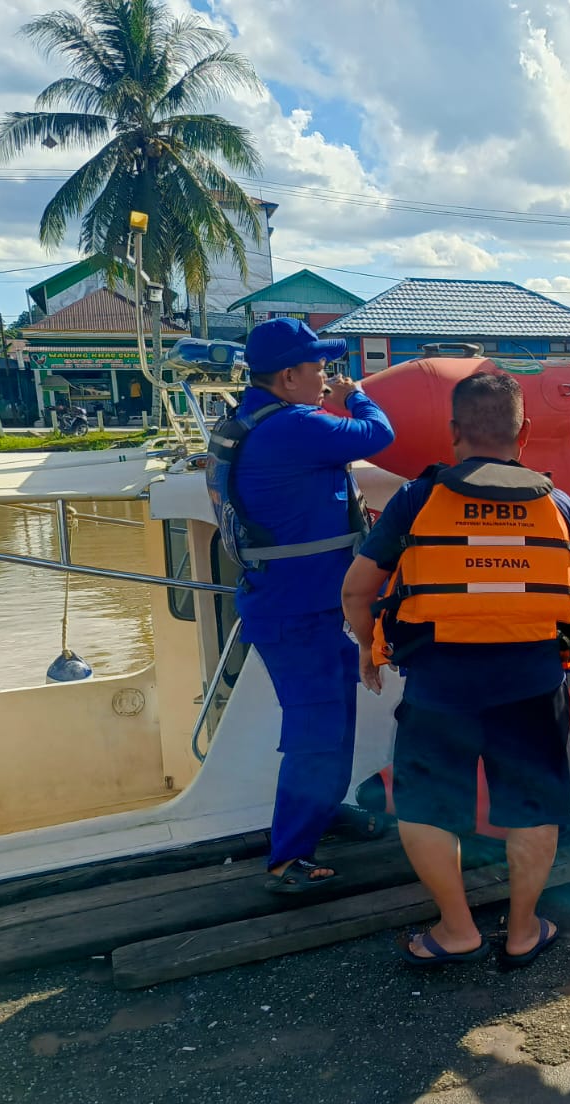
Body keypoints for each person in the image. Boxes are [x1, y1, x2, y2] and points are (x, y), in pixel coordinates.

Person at [341, 372, 570, 968]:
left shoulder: (416, 499)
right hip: (534, 683)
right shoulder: (559, 505)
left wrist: (369, 646)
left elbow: (358, 590)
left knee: (428, 806)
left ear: (454, 432)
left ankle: (457, 931)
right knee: (534, 807)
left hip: (439, 684)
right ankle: (522, 931)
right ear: (525, 432)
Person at [222, 318, 396, 892]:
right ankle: (288, 858)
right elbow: (378, 436)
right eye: (320, 370)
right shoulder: (294, 426)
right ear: (290, 375)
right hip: (300, 614)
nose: (327, 379)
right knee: (317, 733)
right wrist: (358, 397)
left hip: (296, 605)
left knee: (329, 725)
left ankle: (320, 812)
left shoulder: (253, 422)